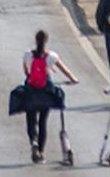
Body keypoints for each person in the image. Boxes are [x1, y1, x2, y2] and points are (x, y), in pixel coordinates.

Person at [18, 30, 79, 163]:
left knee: (31, 120)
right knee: (43, 122)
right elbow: (65, 71)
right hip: (45, 92)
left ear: (35, 40)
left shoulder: (27, 54)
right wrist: (73, 79)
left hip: (31, 90)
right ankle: (40, 151)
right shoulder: (52, 56)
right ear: (46, 41)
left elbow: (26, 72)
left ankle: (33, 141)